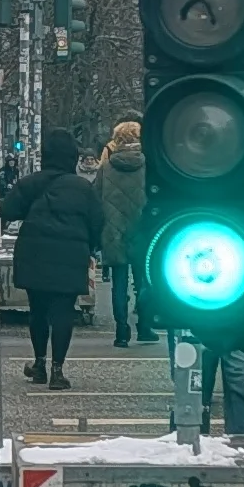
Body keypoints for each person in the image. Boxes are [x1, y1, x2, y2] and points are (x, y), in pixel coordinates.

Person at [5, 129, 107, 389]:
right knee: (63, 312)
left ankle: (39, 363)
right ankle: (57, 370)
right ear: (72, 157)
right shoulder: (83, 188)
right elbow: (98, 221)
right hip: (70, 256)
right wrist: (90, 247)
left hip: (34, 254)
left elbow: (8, 210)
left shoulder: (31, 183)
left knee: (37, 311)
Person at [94, 116, 145, 347]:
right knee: (144, 281)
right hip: (143, 231)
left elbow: (95, 198)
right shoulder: (148, 165)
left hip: (113, 233)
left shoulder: (106, 168)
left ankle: (121, 331)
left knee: (119, 283)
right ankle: (145, 326)